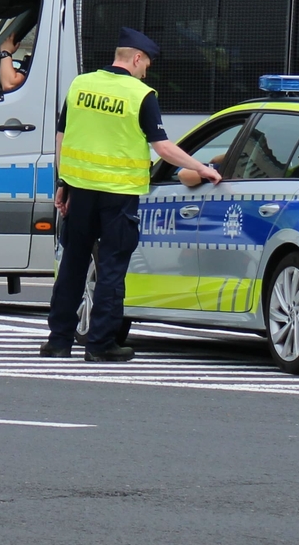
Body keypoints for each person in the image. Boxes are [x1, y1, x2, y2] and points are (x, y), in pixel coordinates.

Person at [42, 28, 222, 361]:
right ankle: (100, 345)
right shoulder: (140, 94)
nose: (145, 72)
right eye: (146, 65)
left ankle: (58, 341)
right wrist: (204, 168)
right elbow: (164, 148)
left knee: (73, 264)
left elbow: (62, 137)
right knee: (111, 268)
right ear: (136, 58)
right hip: (119, 196)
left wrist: (62, 182)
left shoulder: (80, 85)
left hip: (80, 190)